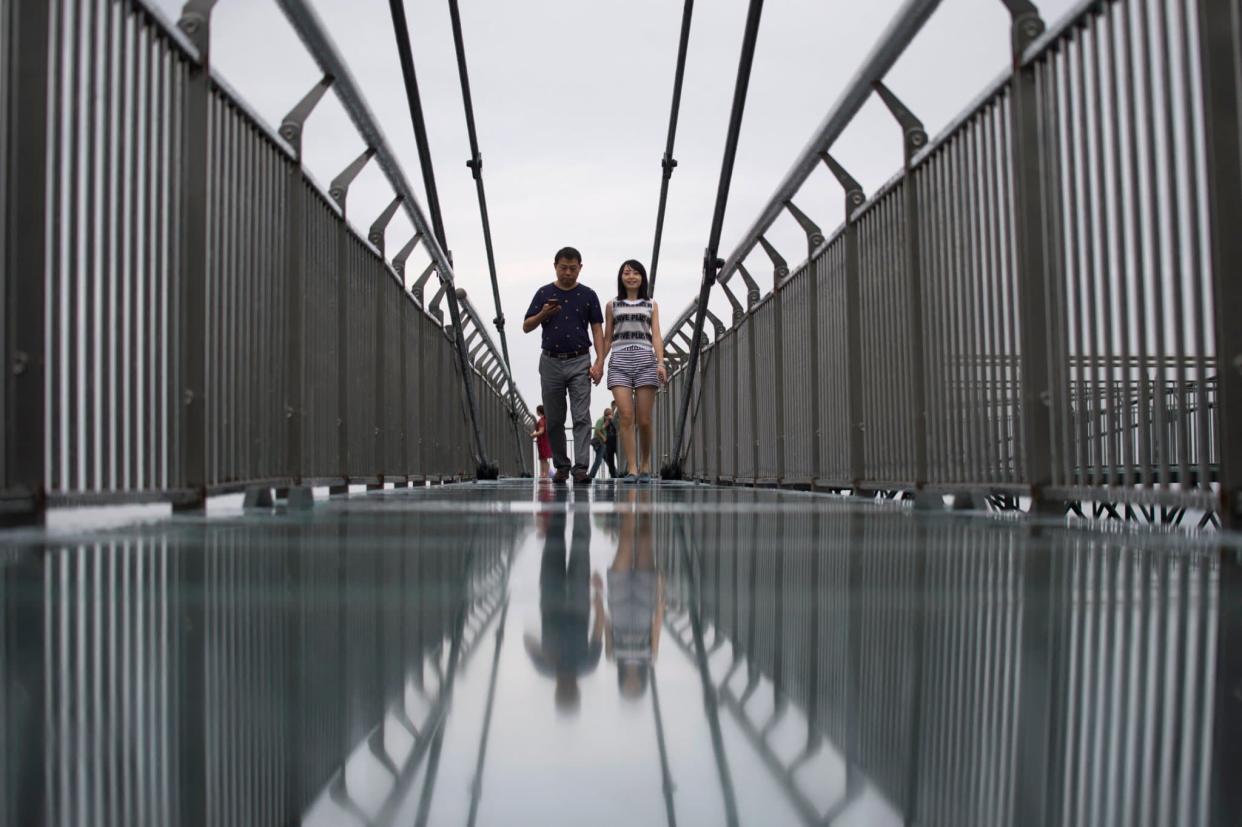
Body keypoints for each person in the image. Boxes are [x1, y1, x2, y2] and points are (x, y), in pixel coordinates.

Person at [523, 247, 605, 484]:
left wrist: (599, 362)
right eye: (563, 268)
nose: (568, 273)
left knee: (581, 415)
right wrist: (543, 314)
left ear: (580, 267)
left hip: (580, 359)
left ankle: (580, 468)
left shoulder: (588, 295)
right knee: (555, 418)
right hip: (550, 361)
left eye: (572, 268)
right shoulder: (543, 293)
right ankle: (561, 466)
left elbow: (597, 329)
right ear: (555, 267)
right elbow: (527, 326)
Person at [524, 499, 603, 715]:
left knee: (569, 541)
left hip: (567, 602)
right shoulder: (550, 667)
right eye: (570, 692)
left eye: (564, 692)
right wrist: (598, 595)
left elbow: (598, 630)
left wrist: (598, 596)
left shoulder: (553, 667)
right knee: (566, 541)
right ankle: (576, 496)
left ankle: (573, 496)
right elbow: (598, 631)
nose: (567, 688)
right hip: (562, 603)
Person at [594, 488, 663, 701]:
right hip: (644, 598)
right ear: (642, 683)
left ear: (622, 682)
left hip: (619, 597)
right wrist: (662, 593)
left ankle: (633, 494)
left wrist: (597, 594)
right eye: (635, 686)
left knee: (625, 541)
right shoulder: (650, 657)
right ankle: (642, 495)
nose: (632, 683)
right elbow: (656, 625)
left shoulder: (612, 657)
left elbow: (605, 624)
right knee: (644, 536)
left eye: (628, 686)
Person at [600, 260, 666, 483]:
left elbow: (656, 335)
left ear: (642, 278)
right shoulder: (612, 305)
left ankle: (646, 463)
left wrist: (661, 362)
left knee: (644, 419)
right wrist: (599, 362)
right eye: (626, 273)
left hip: (645, 359)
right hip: (619, 360)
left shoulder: (651, 304)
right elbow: (608, 337)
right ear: (620, 277)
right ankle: (632, 468)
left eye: (636, 273)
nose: (631, 277)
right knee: (626, 416)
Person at [588, 408, 615, 480]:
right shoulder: (601, 420)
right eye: (608, 415)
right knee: (598, 461)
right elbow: (597, 430)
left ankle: (615, 474)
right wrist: (603, 436)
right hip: (599, 443)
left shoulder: (610, 422)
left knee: (608, 460)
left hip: (604, 444)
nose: (609, 417)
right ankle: (591, 476)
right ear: (605, 415)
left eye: (611, 415)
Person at [531, 405, 553, 480]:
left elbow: (541, 431)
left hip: (543, 442)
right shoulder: (545, 419)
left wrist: (533, 434)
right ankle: (543, 474)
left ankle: (545, 474)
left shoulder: (541, 421)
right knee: (543, 458)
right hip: (544, 441)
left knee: (544, 459)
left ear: (539, 411)